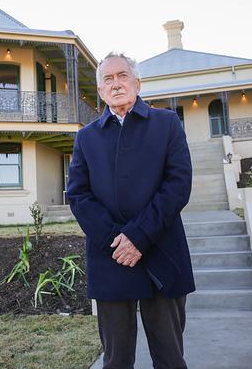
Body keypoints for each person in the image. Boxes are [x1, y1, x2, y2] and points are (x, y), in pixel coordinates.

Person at [67, 52, 194, 368]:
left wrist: (138, 236)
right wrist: (118, 241)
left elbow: (178, 185)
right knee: (116, 360)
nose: (116, 83)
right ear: (100, 91)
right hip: (111, 258)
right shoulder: (86, 137)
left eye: (122, 75)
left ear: (137, 83)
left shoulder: (167, 123)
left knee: (170, 358)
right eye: (107, 79)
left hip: (161, 254)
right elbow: (78, 195)